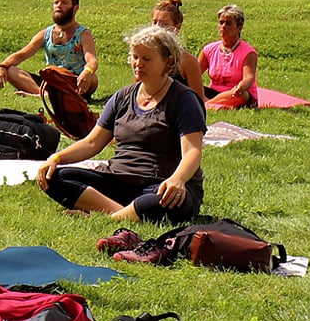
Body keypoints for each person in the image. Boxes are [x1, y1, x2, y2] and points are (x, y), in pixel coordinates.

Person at [36, 24, 206, 224]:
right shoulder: (122, 97)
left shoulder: (184, 99)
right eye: (135, 57)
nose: (138, 64)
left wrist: (177, 179)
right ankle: (126, 214)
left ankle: (108, 216)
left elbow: (192, 151)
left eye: (147, 59)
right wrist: (55, 158)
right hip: (118, 179)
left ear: (168, 62)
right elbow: (92, 142)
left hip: (159, 184)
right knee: (54, 176)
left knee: (163, 200)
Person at [0, 0, 99, 99]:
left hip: (75, 82)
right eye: (56, 2)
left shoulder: (83, 34)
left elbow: (92, 60)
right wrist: (2, 66)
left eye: (64, 3)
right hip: (51, 82)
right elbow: (21, 54)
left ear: (75, 8)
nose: (59, 6)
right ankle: (44, 94)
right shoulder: (46, 34)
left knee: (92, 79)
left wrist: (87, 71)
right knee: (11, 71)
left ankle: (56, 96)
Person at [199, 4, 259, 109]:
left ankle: (207, 105)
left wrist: (241, 87)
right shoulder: (208, 49)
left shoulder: (248, 52)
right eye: (221, 23)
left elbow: (249, 77)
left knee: (242, 95)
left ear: (239, 28)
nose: (223, 26)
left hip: (235, 93)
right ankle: (212, 104)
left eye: (229, 24)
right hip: (214, 93)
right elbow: (194, 73)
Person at [150, 0, 204, 89]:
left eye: (164, 24)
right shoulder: (144, 56)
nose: (157, 28)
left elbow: (198, 96)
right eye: (155, 22)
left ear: (177, 27)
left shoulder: (187, 61)